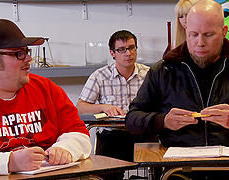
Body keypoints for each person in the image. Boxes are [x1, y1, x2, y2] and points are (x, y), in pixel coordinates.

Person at [126, 0, 229, 178]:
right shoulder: (164, 69)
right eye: (193, 34)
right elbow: (132, 118)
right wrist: (163, 121)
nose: (200, 43)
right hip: (178, 170)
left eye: (209, 35)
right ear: (186, 30)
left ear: (224, 32)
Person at [0, 19, 92, 175]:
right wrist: (10, 162)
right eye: (19, 54)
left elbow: (79, 133)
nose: (28, 59)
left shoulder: (45, 88)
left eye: (27, 52)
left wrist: (65, 148)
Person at [76, 30, 150, 179]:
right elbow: (80, 107)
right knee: (104, 173)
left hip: (144, 133)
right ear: (112, 53)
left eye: (131, 48)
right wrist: (103, 107)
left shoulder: (149, 74)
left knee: (160, 166)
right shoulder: (100, 76)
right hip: (113, 136)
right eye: (122, 50)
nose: (128, 53)